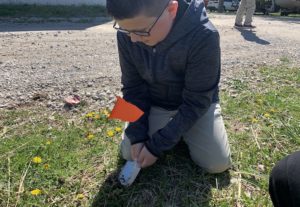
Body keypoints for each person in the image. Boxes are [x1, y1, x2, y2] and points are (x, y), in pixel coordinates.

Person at [106, 0, 232, 174]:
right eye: (125, 30)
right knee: (129, 153)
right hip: (155, 102)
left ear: (172, 9)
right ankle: (166, 131)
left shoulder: (204, 35)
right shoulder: (128, 34)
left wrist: (156, 146)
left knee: (217, 164)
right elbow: (132, 88)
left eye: (141, 31)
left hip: (194, 105)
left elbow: (197, 102)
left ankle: (181, 131)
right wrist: (137, 136)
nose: (133, 39)